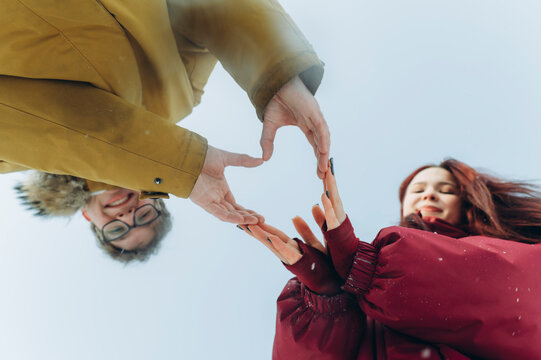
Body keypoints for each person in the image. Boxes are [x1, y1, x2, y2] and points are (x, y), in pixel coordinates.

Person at [0, 0, 330, 225]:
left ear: (89, 218)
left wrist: (176, 166)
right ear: (160, 196)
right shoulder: (179, 96)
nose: (128, 216)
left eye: (116, 231)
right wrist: (276, 72)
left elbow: (57, 124)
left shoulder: (8, 157)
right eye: (147, 215)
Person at [240, 158, 541, 359]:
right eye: (418, 189)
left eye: (445, 190)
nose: (429, 195)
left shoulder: (516, 248)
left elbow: (522, 302)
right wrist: (325, 297)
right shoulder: (366, 287)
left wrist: (369, 267)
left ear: (470, 201)